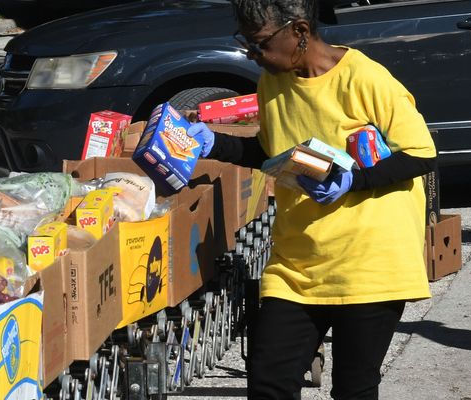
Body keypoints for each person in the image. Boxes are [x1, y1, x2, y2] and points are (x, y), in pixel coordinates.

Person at [184, 0, 438, 398]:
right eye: (248, 44)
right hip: (297, 264)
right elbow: (272, 154)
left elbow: (421, 153)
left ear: (299, 31)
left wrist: (353, 180)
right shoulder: (272, 83)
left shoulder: (366, 78)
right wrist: (213, 143)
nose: (254, 55)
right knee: (269, 382)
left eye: (261, 44)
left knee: (354, 388)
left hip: (371, 263)